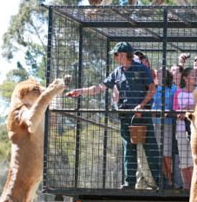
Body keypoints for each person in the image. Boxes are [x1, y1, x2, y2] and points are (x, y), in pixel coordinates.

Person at [65, 42, 161, 189]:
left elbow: (152, 89)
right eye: (115, 55)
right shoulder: (117, 72)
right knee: (128, 149)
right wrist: (80, 91)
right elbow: (100, 87)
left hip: (142, 114)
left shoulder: (142, 69)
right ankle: (129, 183)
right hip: (125, 115)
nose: (116, 57)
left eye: (117, 54)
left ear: (124, 54)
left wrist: (141, 105)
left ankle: (160, 182)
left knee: (150, 148)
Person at [172, 67, 197, 189]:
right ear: (185, 78)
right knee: (184, 159)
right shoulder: (178, 93)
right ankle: (186, 186)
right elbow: (175, 111)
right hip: (181, 129)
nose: (195, 77)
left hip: (196, 130)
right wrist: (181, 114)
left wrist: (192, 109)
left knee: (195, 159)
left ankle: (195, 186)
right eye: (192, 75)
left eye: (195, 75)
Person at [151, 67, 177, 187]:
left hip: (168, 123)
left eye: (162, 74)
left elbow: (175, 105)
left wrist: (169, 112)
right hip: (155, 122)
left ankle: (170, 178)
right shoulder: (153, 88)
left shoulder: (173, 88)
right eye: (158, 74)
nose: (160, 76)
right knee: (157, 153)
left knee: (167, 152)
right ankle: (161, 180)